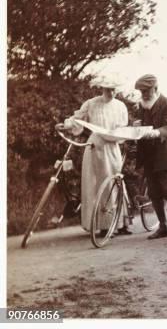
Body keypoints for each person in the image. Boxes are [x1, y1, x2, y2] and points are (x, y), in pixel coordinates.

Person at [55, 81, 129, 236]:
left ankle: (121, 223)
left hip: (112, 145)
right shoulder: (91, 103)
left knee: (115, 181)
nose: (111, 93)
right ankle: (103, 225)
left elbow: (123, 126)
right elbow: (77, 118)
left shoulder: (120, 106)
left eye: (114, 90)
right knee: (96, 183)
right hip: (95, 146)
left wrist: (116, 133)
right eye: (108, 90)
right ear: (102, 88)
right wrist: (66, 125)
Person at [134, 74, 167, 242]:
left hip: (166, 154)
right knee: (154, 192)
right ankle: (163, 226)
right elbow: (140, 123)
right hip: (148, 155)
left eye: (147, 91)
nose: (144, 94)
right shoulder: (141, 105)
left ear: (155, 88)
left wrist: (154, 132)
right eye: (141, 91)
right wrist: (136, 126)